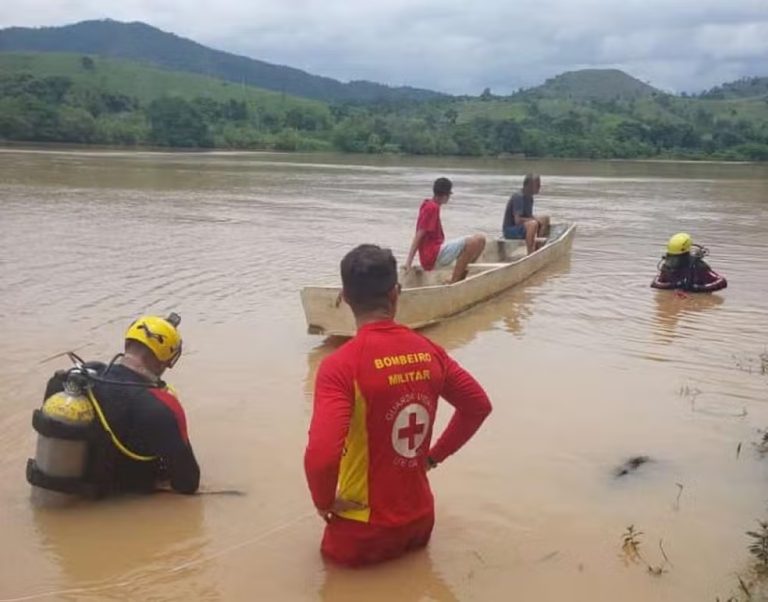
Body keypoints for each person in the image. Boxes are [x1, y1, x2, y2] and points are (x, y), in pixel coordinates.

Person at [304, 244, 492, 566]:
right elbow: (477, 406)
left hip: (361, 535)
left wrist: (324, 502)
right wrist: (432, 457)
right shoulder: (430, 351)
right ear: (395, 294)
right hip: (420, 523)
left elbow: (322, 457)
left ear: (345, 298)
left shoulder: (340, 367)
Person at [28, 313, 200, 498]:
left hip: (60, 493)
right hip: (120, 501)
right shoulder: (160, 407)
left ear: (127, 344)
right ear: (163, 362)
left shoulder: (79, 377)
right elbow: (188, 483)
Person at [404, 177, 486, 283]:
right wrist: (408, 262)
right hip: (432, 256)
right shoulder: (432, 208)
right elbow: (419, 235)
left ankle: (461, 274)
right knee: (473, 242)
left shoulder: (428, 204)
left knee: (481, 239)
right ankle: (455, 281)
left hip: (435, 252)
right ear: (445, 195)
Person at [650, 232, 727, 292]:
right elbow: (655, 283)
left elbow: (722, 282)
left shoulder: (697, 265)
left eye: (677, 257)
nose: (674, 261)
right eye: (672, 257)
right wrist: (674, 285)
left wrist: (698, 288)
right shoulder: (668, 265)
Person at [502, 173, 551, 254]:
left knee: (545, 218)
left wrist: (538, 221)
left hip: (521, 228)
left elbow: (528, 216)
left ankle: (538, 246)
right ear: (529, 185)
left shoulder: (530, 197)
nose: (539, 187)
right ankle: (530, 252)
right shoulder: (519, 197)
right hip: (510, 230)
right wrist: (535, 221)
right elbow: (517, 221)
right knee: (533, 224)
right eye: (537, 185)